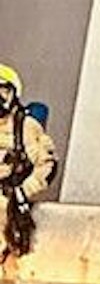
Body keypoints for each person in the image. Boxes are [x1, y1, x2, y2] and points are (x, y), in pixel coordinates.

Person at [0, 66, 57, 264]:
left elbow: (47, 165)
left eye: (2, 91)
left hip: (8, 197)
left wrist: (23, 192)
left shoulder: (25, 127)